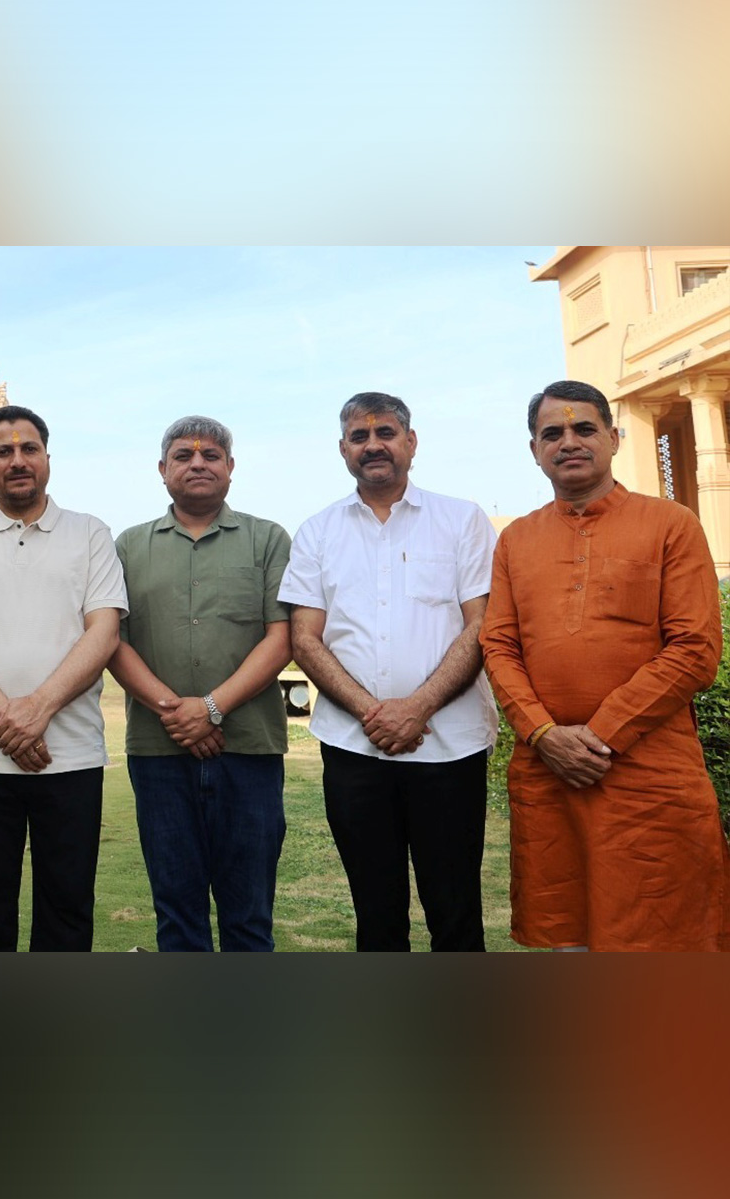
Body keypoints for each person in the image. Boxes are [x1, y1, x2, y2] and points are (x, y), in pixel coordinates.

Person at [481, 380, 730, 951]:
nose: (568, 441)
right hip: (548, 775)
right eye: (552, 433)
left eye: (584, 428)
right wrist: (544, 735)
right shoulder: (515, 540)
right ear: (534, 450)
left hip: (648, 774)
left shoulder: (671, 525)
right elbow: (498, 644)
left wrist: (599, 737)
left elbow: (694, 650)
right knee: (564, 937)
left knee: (663, 938)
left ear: (614, 439)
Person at [278, 392, 497, 952]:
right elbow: (305, 637)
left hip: (449, 747)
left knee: (455, 910)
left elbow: (481, 626)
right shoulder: (318, 531)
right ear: (343, 450)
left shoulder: (462, 519)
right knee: (376, 912)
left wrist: (416, 708)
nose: (372, 445)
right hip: (354, 748)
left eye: (385, 433)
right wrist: (372, 714)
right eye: (359, 436)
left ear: (411, 442)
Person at [0, 405, 127, 951]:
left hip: (72, 755)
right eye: (3, 451)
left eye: (28, 449)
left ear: (47, 459)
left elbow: (103, 632)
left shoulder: (89, 533)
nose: (17, 461)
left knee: (66, 907)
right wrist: (5, 717)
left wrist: (39, 707)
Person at [108, 416, 293, 951]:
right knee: (177, 913)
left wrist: (211, 707)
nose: (198, 464)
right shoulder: (129, 546)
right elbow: (113, 642)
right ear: (162, 470)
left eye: (211, 455)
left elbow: (280, 638)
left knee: (249, 914)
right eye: (184, 457)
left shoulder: (266, 539)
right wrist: (180, 713)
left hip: (249, 751)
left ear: (230, 469)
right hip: (159, 753)